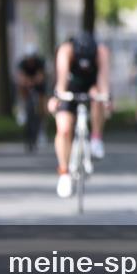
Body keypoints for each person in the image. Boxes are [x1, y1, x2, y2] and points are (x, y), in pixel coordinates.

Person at [46, 31, 111, 198]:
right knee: (64, 129)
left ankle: (96, 138)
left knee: (98, 96)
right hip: (69, 87)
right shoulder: (65, 50)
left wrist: (106, 99)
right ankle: (64, 172)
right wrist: (57, 97)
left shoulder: (101, 52)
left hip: (91, 86)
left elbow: (103, 79)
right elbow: (61, 80)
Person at [15, 44, 47, 129]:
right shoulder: (22, 63)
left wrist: (34, 81)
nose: (31, 61)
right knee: (20, 87)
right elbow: (20, 77)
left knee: (42, 101)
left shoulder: (40, 62)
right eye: (29, 58)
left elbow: (41, 76)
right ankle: (22, 108)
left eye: (32, 58)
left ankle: (42, 126)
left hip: (38, 84)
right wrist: (27, 81)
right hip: (26, 84)